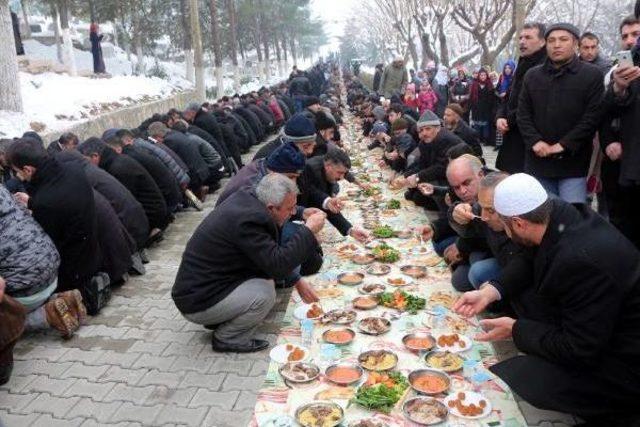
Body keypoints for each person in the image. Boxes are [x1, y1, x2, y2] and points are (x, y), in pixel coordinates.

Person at [454, 173, 640, 425]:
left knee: (519, 376)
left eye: (505, 225)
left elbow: (579, 347)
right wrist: (489, 291)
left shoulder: (580, 260)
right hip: (599, 327)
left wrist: (516, 329)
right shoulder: (557, 213)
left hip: (623, 361)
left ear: (518, 223)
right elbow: (527, 258)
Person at [172, 174, 326, 353]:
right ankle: (228, 338)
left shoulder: (252, 198)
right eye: (290, 208)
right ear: (271, 207)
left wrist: (301, 212)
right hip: (197, 300)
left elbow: (270, 257)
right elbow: (278, 266)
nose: (293, 212)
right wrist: (308, 231)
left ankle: (221, 317)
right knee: (265, 292)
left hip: (208, 285)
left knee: (265, 280)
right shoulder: (249, 221)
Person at [7, 139, 105, 314]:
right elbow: (64, 205)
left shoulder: (46, 202)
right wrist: (32, 202)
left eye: (16, 172)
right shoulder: (72, 169)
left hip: (72, 270)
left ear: (28, 169)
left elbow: (48, 242)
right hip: (92, 252)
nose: (17, 177)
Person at [517, 23, 604, 203]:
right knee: (541, 218)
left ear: (575, 44)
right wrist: (535, 141)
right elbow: (523, 113)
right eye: (551, 40)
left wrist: (564, 144)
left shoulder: (591, 75)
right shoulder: (532, 76)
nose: (557, 45)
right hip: (537, 161)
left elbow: (592, 118)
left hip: (573, 163)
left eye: (563, 40)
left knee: (572, 219)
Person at [78, 138, 170, 240]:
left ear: (95, 156)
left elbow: (127, 203)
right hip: (155, 210)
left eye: (86, 160)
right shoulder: (117, 161)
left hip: (152, 217)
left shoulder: (117, 168)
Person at [600, 16, 640, 249]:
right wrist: (608, 143)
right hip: (619, 166)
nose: (630, 40)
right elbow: (603, 114)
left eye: (635, 34)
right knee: (623, 228)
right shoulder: (613, 74)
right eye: (625, 36)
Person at [496, 22, 547, 173]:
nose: (522, 42)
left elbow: (530, 103)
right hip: (512, 134)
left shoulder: (544, 66)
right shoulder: (523, 62)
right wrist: (500, 116)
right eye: (520, 38)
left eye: (528, 37)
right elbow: (509, 95)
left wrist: (508, 120)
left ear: (542, 41)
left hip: (528, 138)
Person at [302, 149, 370, 242]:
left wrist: (350, 230)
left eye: (344, 173)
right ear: (328, 166)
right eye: (340, 173)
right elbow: (312, 196)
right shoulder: (310, 169)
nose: (342, 178)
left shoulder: (326, 169)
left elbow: (328, 206)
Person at [105, 133, 182, 214]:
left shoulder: (127, 159)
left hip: (167, 200)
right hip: (172, 191)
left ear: (118, 148)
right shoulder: (137, 150)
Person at [253, 113, 317, 161]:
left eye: (313, 145)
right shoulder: (270, 159)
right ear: (289, 143)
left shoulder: (290, 151)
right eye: (305, 147)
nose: (310, 151)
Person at [469, 68, 497, 145]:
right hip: (476, 107)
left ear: (486, 75)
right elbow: (471, 96)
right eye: (481, 75)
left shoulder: (489, 84)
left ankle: (485, 139)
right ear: (479, 75)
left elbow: (492, 97)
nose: (483, 76)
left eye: (484, 75)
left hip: (486, 108)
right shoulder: (475, 84)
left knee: (485, 125)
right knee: (477, 124)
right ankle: (477, 139)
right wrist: (472, 106)